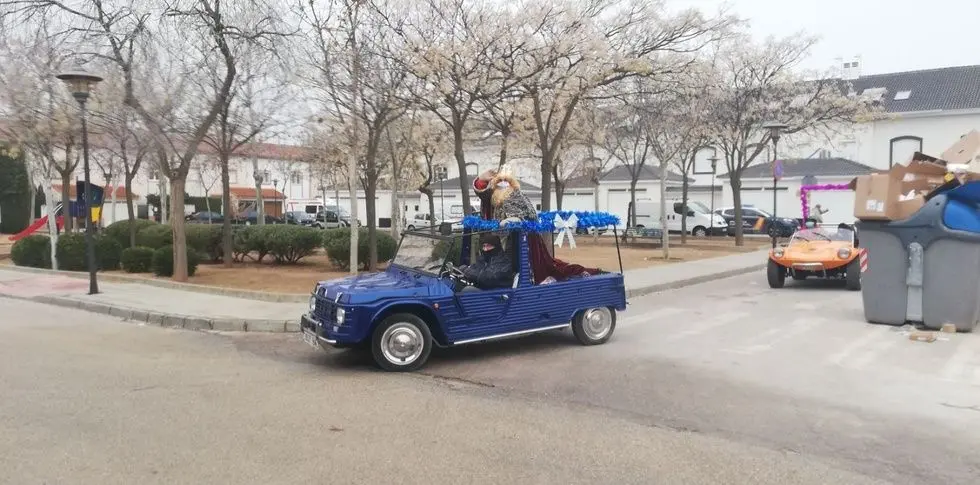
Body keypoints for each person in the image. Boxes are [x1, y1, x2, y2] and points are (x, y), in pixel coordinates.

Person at [472, 169, 599, 284]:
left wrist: (514, 220)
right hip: (505, 244)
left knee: (544, 269)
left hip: (522, 244)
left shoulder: (515, 196)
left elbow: (525, 218)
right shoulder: (494, 197)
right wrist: (481, 179)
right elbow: (484, 194)